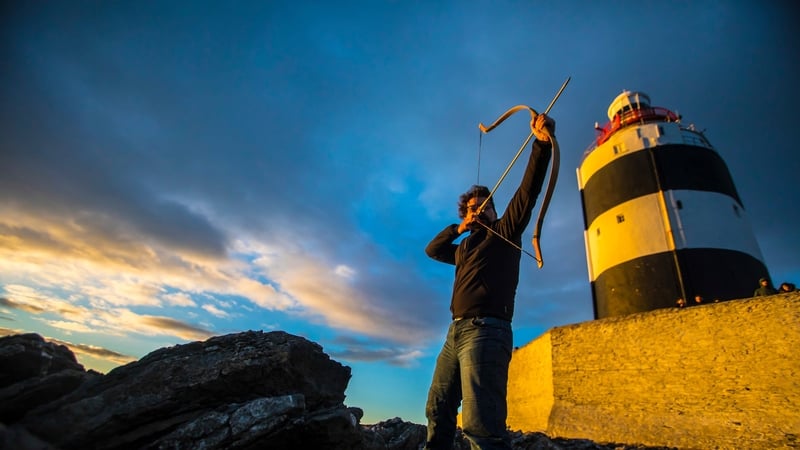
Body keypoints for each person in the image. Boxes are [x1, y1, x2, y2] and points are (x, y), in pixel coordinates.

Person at [423, 113, 555, 450]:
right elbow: (433, 250)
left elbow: (527, 193)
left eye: (484, 205)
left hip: (487, 330)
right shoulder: (465, 246)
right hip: (455, 332)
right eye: (471, 207)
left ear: (495, 210)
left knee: (480, 425)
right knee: (438, 409)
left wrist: (541, 145)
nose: (479, 209)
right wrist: (459, 228)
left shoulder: (505, 233)